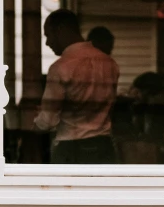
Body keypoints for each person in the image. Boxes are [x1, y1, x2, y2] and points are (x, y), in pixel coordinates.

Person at [34, 9, 119, 163]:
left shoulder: (61, 67)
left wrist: (31, 127)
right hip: (104, 148)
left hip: (72, 150)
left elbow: (48, 121)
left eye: (48, 36)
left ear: (60, 31)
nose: (47, 43)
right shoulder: (110, 64)